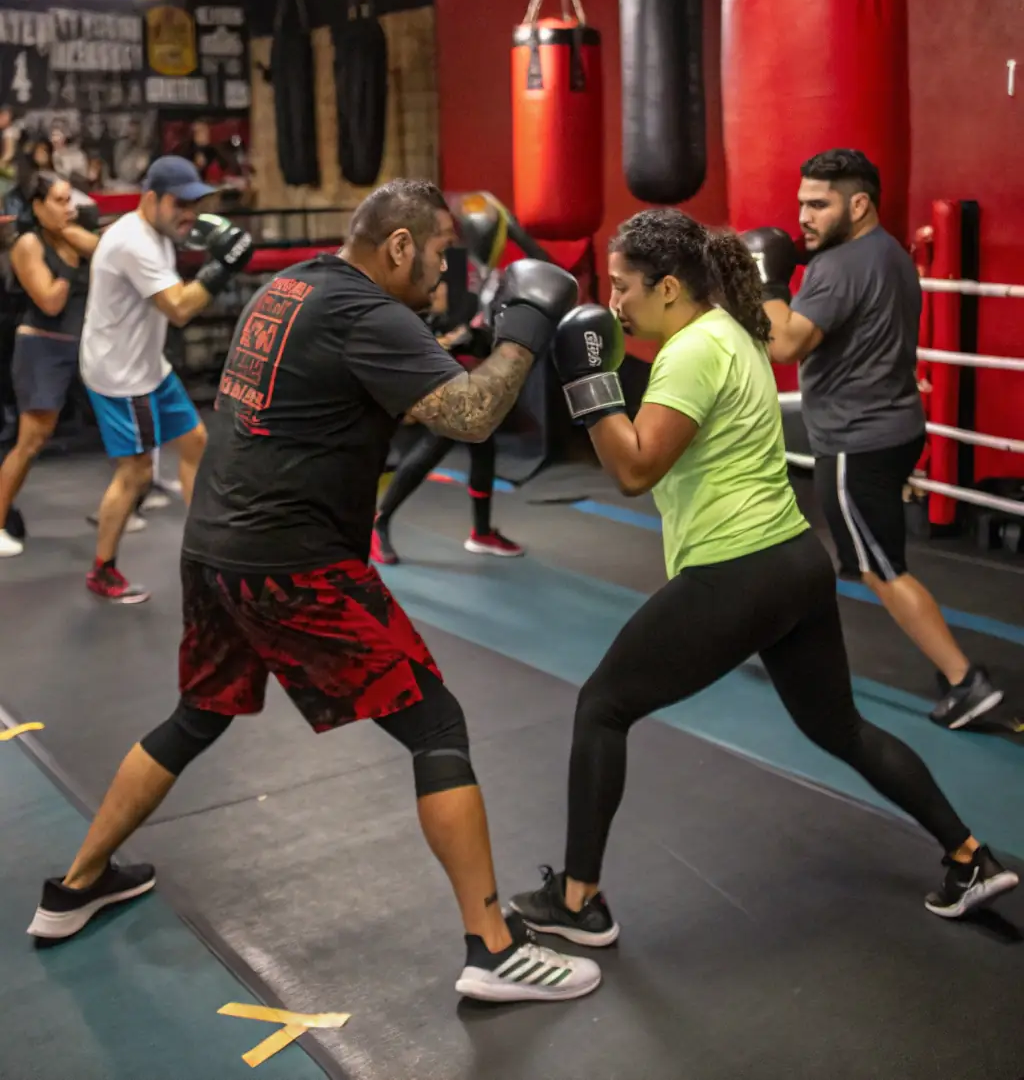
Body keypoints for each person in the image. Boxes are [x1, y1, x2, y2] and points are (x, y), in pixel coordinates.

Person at [29, 179, 602, 1006]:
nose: (444, 271)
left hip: (213, 547)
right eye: (438, 253)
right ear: (399, 246)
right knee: (435, 720)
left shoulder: (288, 285)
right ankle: (495, 947)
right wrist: (525, 331)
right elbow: (473, 415)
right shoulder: (368, 314)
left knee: (200, 712)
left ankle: (76, 886)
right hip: (291, 564)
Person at [510, 208, 1018, 947]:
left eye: (623, 287)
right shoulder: (729, 332)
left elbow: (634, 466)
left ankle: (581, 899)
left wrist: (585, 376)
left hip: (736, 568)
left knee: (602, 706)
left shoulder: (692, 351)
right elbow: (665, 420)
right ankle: (969, 857)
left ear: (671, 286)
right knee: (838, 725)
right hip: (794, 562)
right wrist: (609, 365)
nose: (614, 302)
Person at [743, 149, 1002, 729]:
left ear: (858, 204)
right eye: (801, 203)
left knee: (880, 566)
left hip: (856, 441)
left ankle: (967, 683)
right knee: (850, 553)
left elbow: (785, 346)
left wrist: (767, 283)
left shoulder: (837, 268)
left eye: (819, 204)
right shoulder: (889, 253)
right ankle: (784, 629)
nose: (804, 216)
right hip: (895, 426)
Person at [79, 155, 253, 603]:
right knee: (135, 472)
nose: (189, 215)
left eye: (194, 205)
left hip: (148, 365)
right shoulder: (133, 242)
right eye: (180, 204)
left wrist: (206, 234)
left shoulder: (157, 230)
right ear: (151, 198)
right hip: (122, 375)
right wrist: (223, 266)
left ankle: (205, 547)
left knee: (195, 441)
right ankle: (103, 570)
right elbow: (178, 308)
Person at [372, 279, 523, 564]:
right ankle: (380, 520)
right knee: (434, 448)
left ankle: (481, 532)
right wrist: (451, 342)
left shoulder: (450, 314)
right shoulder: (411, 318)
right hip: (427, 398)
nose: (443, 292)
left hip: (460, 394)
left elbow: (477, 347)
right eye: (437, 288)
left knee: (483, 446)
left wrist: (477, 337)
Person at [0, 173, 99, 558]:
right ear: (38, 207)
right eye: (59, 201)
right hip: (42, 347)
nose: (70, 208)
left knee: (125, 424)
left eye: (70, 200)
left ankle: (132, 502)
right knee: (30, 442)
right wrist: (74, 261)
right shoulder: (29, 243)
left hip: (80, 347)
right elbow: (50, 301)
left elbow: (111, 253)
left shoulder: (73, 234)